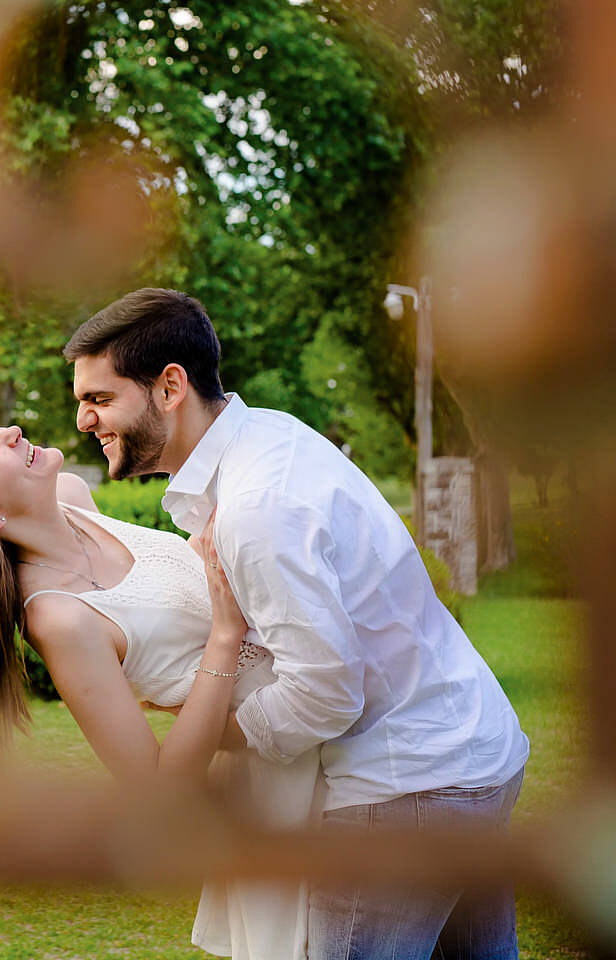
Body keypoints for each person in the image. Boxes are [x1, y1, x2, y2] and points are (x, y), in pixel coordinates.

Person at [65, 287, 529, 960]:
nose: (81, 420)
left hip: (403, 794)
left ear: (170, 386)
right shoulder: (269, 437)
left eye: (99, 399)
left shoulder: (258, 505)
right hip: (472, 753)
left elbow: (328, 692)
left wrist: (218, 727)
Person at [0, 418, 319, 960]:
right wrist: (225, 638)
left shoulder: (72, 495)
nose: (11, 432)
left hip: (326, 693)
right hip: (283, 776)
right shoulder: (61, 620)